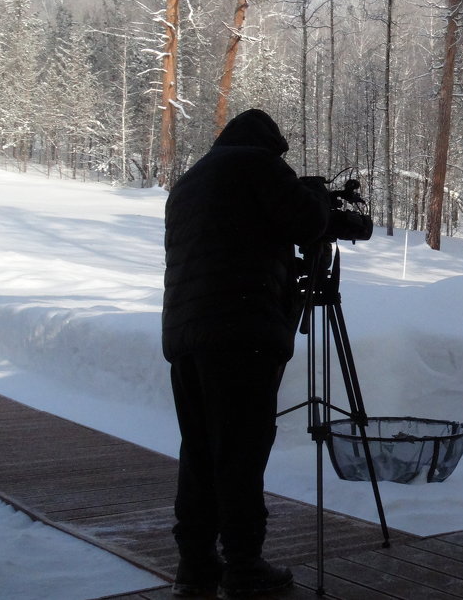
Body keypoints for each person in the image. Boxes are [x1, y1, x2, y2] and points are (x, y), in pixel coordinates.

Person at [162, 109, 331, 597]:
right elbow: (308, 221)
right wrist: (315, 192)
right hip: (241, 333)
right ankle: (244, 565)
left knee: (199, 451)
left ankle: (195, 565)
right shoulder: (258, 166)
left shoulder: (189, 183)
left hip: (186, 336)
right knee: (241, 450)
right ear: (269, 145)